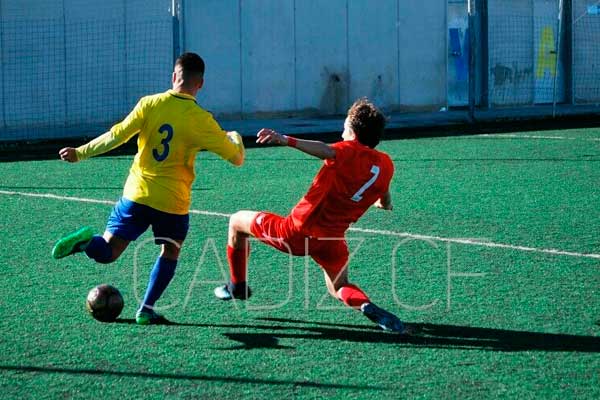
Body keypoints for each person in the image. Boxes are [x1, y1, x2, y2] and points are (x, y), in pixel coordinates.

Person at [52, 52, 245, 325]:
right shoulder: (202, 119)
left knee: (109, 252)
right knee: (170, 251)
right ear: (200, 84)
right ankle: (145, 309)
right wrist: (234, 137)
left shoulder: (150, 103)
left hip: (137, 193)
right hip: (172, 201)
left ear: (173, 77)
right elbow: (237, 159)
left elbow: (116, 135)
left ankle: (86, 243)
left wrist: (80, 152)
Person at [214, 98, 408, 333]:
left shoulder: (347, 151)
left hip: (296, 232)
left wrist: (286, 140)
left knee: (236, 221)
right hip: (332, 241)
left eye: (346, 125)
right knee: (340, 287)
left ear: (354, 131)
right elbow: (385, 195)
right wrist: (384, 203)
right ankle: (366, 305)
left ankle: (237, 286)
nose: (343, 129)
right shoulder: (386, 164)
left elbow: (325, 149)